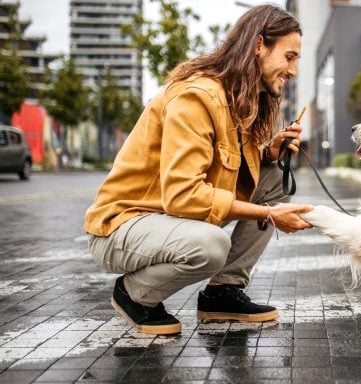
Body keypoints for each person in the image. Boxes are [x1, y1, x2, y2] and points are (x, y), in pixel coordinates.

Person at [84, 5, 312, 335]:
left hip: (168, 223)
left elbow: (220, 168)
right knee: (211, 245)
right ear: (259, 44)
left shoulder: (240, 100)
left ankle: (222, 293)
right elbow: (183, 194)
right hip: (122, 227)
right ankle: (134, 294)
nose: (293, 70)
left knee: (274, 176)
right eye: (289, 57)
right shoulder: (197, 98)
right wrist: (270, 215)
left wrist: (268, 154)